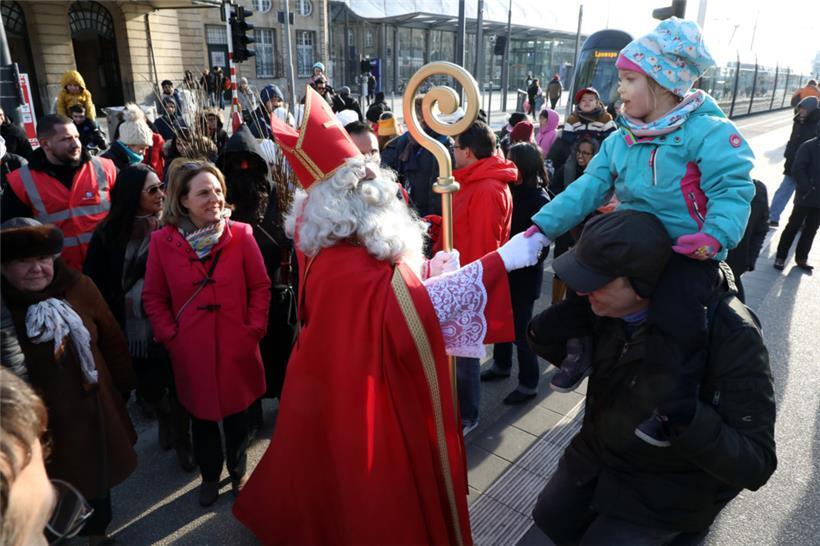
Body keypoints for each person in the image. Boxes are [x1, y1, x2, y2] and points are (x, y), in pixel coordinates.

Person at [233, 85, 546, 545]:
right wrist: (503, 261)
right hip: (369, 401)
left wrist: (428, 270)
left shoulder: (336, 246)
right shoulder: (353, 264)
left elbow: (400, 297)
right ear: (346, 201)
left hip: (330, 388)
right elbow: (411, 321)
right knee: (371, 500)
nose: (377, 181)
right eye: (363, 179)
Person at [528, 17, 755, 446]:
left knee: (679, 318)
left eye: (630, 79)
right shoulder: (622, 137)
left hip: (686, 253)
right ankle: (579, 344)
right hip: (632, 245)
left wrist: (714, 237)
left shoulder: (708, 133)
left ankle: (672, 409)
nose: (621, 91)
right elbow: (589, 188)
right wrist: (541, 226)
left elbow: (732, 189)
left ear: (664, 82)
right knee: (583, 277)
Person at [528, 210, 776, 544]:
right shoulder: (609, 310)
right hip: (589, 468)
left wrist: (685, 417)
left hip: (663, 502)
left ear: (643, 283)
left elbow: (756, 461)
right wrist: (554, 326)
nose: (584, 292)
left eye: (594, 283)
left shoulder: (732, 333)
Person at [1, 218, 138, 544]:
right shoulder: (4, 310)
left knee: (98, 485)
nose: (37, 269)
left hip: (94, 415)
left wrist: (125, 385)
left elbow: (112, 340)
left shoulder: (79, 287)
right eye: (23, 261)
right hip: (42, 428)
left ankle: (97, 534)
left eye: (43, 259)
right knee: (46, 494)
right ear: (3, 266)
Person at [142, 160, 271, 507]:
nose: (214, 198)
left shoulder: (241, 234)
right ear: (182, 200)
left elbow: (260, 286)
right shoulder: (161, 242)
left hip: (236, 344)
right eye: (203, 192)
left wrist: (254, 328)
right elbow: (154, 297)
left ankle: (238, 471)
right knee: (201, 418)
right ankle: (210, 477)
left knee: (237, 417)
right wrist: (171, 335)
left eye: (217, 190)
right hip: (191, 349)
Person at [83, 164, 195, 471]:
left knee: (179, 385)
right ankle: (164, 416)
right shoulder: (108, 234)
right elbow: (94, 280)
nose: (161, 194)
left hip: (174, 321)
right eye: (152, 189)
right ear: (132, 195)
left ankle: (184, 441)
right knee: (149, 387)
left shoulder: (174, 226)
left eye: (162, 186)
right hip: (131, 329)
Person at [218, 125, 294, 435]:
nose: (243, 169)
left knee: (280, 350)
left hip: (275, 287)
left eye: (248, 161)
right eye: (236, 163)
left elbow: (283, 231)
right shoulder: (222, 199)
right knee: (248, 355)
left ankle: (284, 404)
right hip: (239, 293)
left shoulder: (274, 192)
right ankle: (250, 410)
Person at [442, 120, 516, 435]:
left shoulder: (486, 187)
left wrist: (464, 283)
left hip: (468, 280)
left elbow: (484, 245)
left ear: (468, 152)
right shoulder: (479, 179)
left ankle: (467, 417)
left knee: (465, 354)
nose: (452, 152)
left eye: (455, 147)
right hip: (461, 274)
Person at [2, 115, 118, 270]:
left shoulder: (105, 168)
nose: (76, 144)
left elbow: (125, 214)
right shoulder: (20, 181)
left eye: (76, 137)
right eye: (66, 139)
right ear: (45, 144)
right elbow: (13, 237)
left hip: (110, 268)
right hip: (59, 276)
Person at [482, 142, 550, 404]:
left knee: (521, 331)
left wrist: (517, 256)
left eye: (511, 161)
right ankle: (501, 365)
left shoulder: (539, 199)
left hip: (524, 276)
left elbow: (541, 248)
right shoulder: (509, 189)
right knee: (500, 319)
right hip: (504, 269)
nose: (506, 165)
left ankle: (529, 383)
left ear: (524, 166)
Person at [774, 121, 820, 272]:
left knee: (812, 229)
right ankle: (781, 256)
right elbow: (798, 169)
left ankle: (802, 258)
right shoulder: (809, 146)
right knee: (793, 225)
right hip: (806, 195)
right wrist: (807, 187)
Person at [768, 96, 819, 226]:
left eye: (804, 110)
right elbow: (792, 141)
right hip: (792, 164)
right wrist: (788, 154)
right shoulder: (798, 122)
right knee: (784, 191)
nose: (801, 112)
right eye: (800, 109)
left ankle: (801, 222)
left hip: (808, 168)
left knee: (803, 195)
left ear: (811, 110)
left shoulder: (816, 125)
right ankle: (773, 217)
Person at [725, 179, 769, 301]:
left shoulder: (758, 189)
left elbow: (761, 228)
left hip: (734, 265)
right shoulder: (706, 184)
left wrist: (750, 259)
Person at [101, 104, 155, 172]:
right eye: (141, 148)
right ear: (128, 144)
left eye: (145, 149)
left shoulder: (131, 161)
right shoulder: (108, 164)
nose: (144, 153)